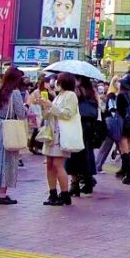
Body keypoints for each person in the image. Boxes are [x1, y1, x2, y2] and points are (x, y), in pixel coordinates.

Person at [0, 67, 27, 205]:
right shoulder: (14, 93)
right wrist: (27, 107)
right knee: (8, 161)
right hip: (9, 128)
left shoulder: (1, 91)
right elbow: (21, 113)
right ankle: (2, 194)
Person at [40, 73, 80, 206]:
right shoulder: (58, 96)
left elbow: (67, 114)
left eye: (58, 81)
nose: (55, 83)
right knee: (50, 165)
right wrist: (44, 106)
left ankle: (64, 194)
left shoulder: (71, 95)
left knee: (57, 164)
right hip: (51, 134)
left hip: (61, 135)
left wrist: (51, 105)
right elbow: (49, 115)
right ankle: (52, 193)